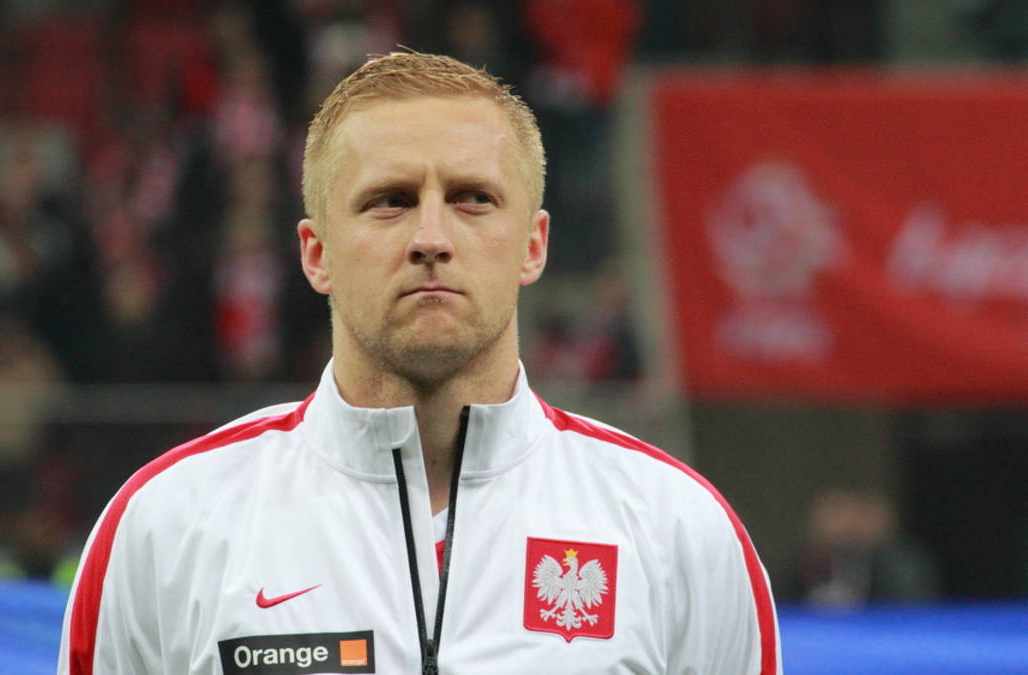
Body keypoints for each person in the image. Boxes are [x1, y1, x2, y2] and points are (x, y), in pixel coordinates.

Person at [58, 52, 781, 675]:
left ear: (533, 245)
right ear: (316, 253)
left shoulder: (677, 531)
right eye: (390, 201)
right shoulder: (168, 526)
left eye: (472, 199)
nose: (431, 236)